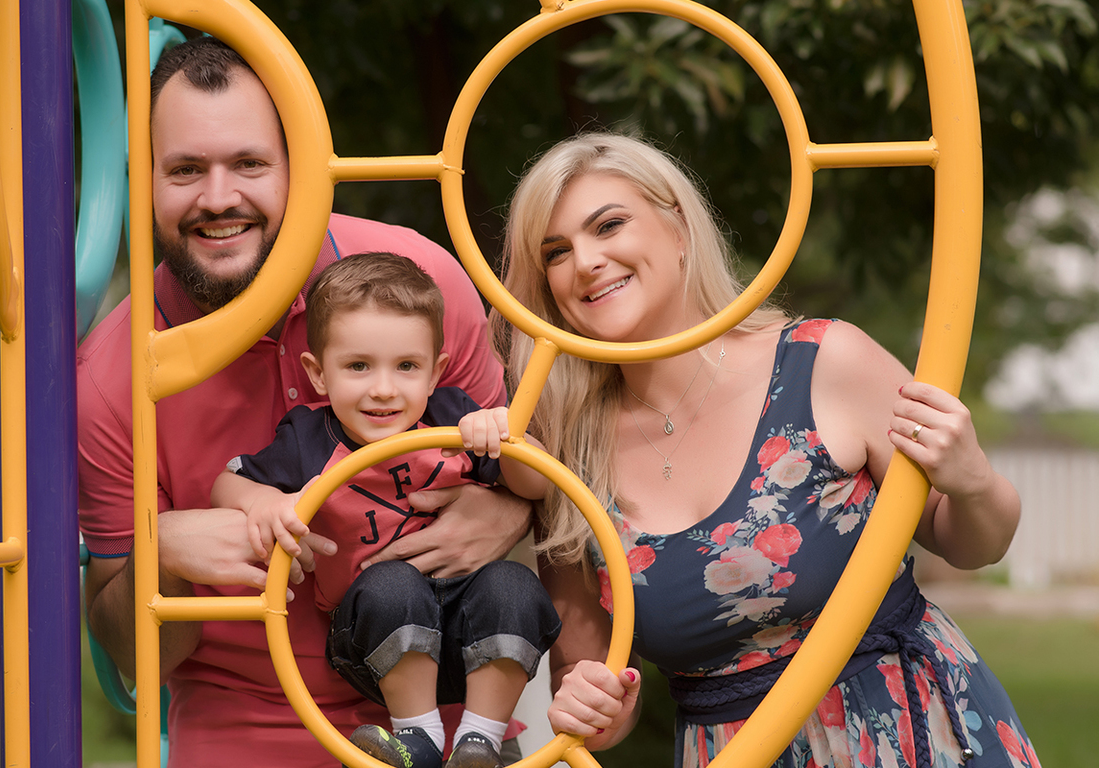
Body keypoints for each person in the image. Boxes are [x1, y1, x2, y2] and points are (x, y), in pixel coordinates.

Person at [492, 132, 1036, 767]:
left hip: (913, 734)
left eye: (608, 225)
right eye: (556, 253)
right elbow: (601, 696)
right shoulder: (565, 454)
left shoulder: (823, 361)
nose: (585, 261)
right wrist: (588, 704)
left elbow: (976, 545)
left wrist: (972, 482)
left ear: (677, 229)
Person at [77, 36, 533, 767]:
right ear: (145, 181)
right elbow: (140, 656)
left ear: (300, 167)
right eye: (185, 169)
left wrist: (512, 508)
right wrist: (161, 548)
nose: (219, 197)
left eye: (249, 163)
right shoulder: (110, 374)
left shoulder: (422, 285)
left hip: (451, 724)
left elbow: (516, 473)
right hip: (248, 731)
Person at [211, 252, 560, 768]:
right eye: (358, 366)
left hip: (474, 626)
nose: (383, 389)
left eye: (406, 367)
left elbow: (537, 488)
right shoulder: (309, 439)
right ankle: (416, 740)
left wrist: (509, 442)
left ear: (435, 372)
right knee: (392, 584)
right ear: (319, 374)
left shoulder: (451, 420)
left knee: (512, 584)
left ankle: (479, 741)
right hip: (376, 636)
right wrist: (262, 501)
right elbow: (227, 483)